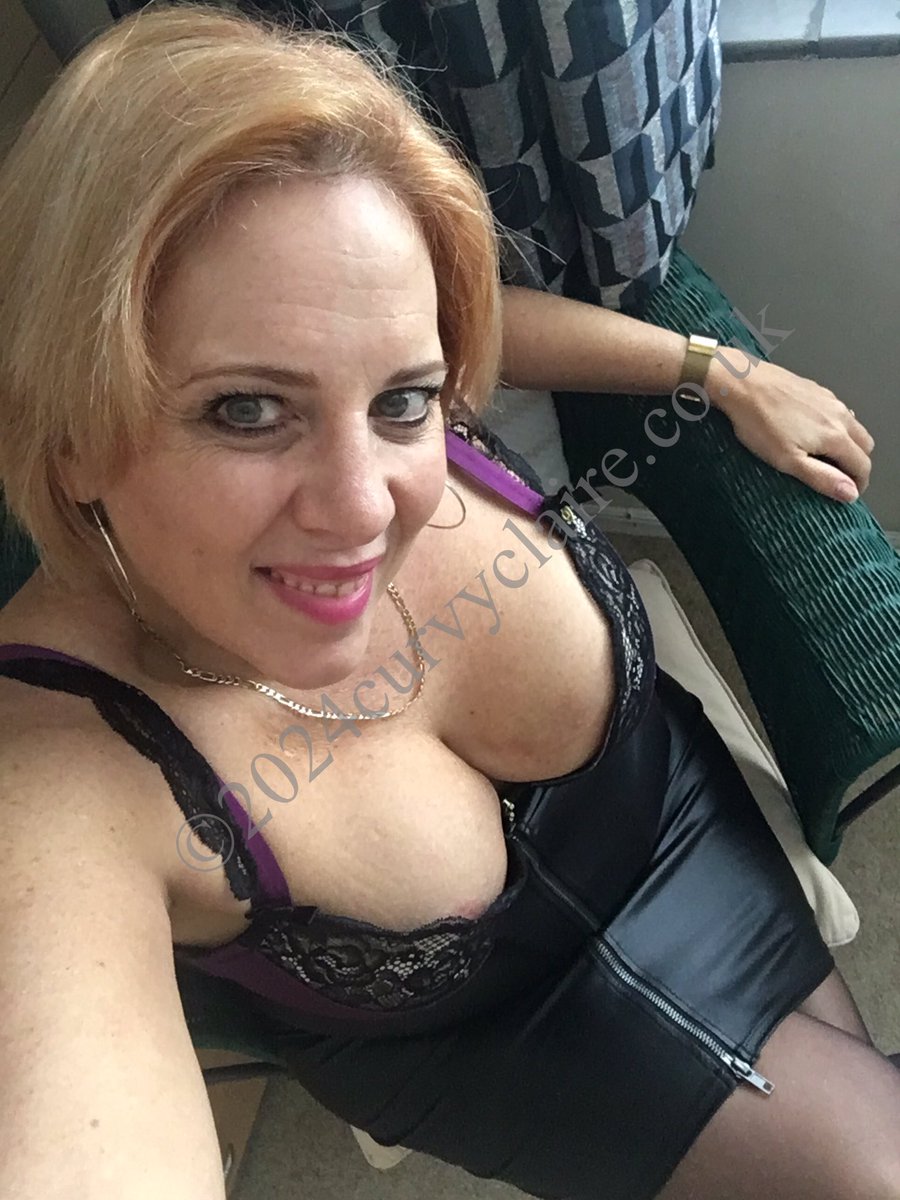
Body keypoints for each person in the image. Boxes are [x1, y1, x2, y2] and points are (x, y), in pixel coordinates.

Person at [0, 7, 895, 1200]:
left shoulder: (383, 360)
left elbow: (476, 333)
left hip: (689, 830)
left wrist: (717, 370)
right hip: (516, 1054)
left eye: (406, 399)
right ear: (70, 431)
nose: (363, 507)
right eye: (246, 410)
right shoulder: (53, 779)